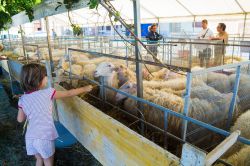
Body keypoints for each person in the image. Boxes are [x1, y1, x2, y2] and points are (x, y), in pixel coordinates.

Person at [17, 63, 93, 166]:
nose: (47, 78)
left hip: (30, 137)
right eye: (45, 76)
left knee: (39, 160)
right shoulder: (48, 93)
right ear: (38, 80)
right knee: (48, 162)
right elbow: (69, 93)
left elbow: (20, 119)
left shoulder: (22, 99)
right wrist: (85, 89)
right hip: (44, 137)